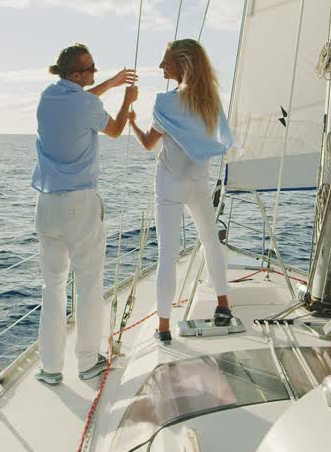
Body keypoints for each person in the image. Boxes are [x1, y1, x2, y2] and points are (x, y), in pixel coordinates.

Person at [32, 43, 138, 385]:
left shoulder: (49, 97)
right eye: (91, 69)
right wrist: (127, 100)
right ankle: (88, 361)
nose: (95, 73)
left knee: (53, 287)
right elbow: (116, 129)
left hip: (46, 205)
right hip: (80, 205)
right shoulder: (87, 104)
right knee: (89, 286)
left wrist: (109, 82)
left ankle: (50, 368)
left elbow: (82, 99)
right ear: (77, 75)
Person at [128, 39, 234, 344]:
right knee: (210, 241)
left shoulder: (164, 102)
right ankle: (223, 305)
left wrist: (133, 124)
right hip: (199, 183)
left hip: (170, 183)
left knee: (168, 255)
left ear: (182, 65)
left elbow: (150, 144)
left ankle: (163, 327)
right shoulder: (211, 100)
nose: (162, 66)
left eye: (166, 61)